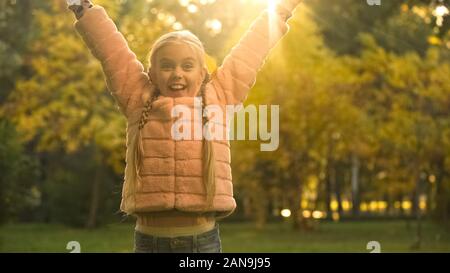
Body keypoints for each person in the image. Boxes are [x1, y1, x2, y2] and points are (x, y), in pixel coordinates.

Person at [68, 0, 303, 253]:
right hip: (149, 242)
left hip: (201, 242)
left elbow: (251, 50)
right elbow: (112, 52)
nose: (177, 73)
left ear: (202, 73)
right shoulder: (138, 99)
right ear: (152, 73)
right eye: (167, 66)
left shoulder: (220, 98)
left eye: (187, 66)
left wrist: (281, 8)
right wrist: (81, 7)